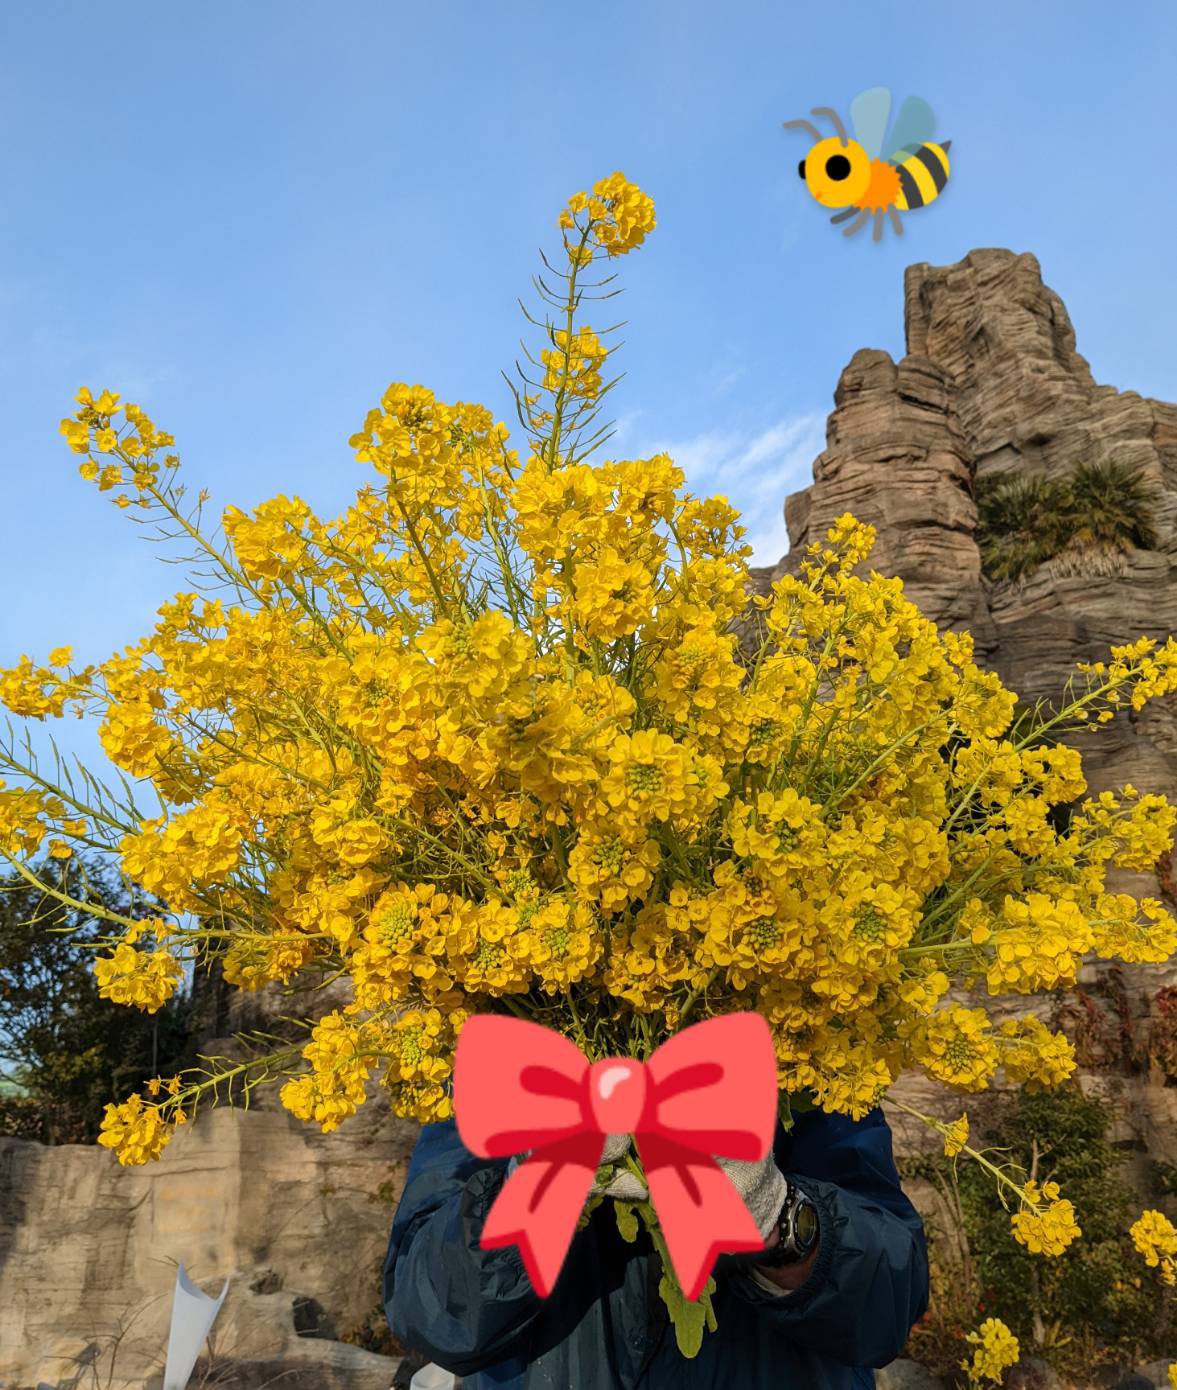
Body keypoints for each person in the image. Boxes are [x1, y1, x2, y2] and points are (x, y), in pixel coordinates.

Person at [382, 1100, 929, 1389]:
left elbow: (889, 1305)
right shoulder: (499, 1034)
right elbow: (426, 1308)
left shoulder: (817, 1046)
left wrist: (783, 1224)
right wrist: (529, 1188)